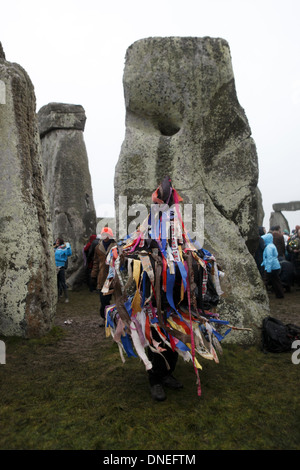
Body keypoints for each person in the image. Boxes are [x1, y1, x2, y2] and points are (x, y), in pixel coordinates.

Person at [91, 227, 116, 326]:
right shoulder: (98, 247)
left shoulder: (116, 246)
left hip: (114, 276)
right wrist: (93, 275)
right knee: (104, 300)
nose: (105, 237)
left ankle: (117, 318)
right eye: (104, 234)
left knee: (117, 299)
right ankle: (105, 318)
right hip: (102, 277)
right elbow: (96, 262)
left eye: (107, 235)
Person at [261, 233, 284, 298]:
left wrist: (268, 269)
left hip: (272, 267)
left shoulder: (268, 247)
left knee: (267, 281)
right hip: (275, 266)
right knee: (276, 281)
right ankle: (280, 294)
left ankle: (263, 295)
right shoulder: (271, 245)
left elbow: (269, 258)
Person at [54, 237, 72, 303]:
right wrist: (54, 243)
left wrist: (67, 245)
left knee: (63, 282)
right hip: (55, 267)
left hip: (61, 267)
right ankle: (58, 297)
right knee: (57, 282)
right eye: (56, 240)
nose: (57, 242)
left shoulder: (63, 248)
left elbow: (69, 253)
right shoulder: (55, 248)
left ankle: (66, 297)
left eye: (58, 241)